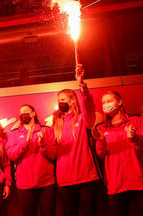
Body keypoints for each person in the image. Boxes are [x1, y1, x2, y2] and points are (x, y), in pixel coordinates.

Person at [93, 91, 143, 216]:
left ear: (120, 102)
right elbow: (100, 154)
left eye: (109, 101)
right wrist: (101, 141)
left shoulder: (136, 121)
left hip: (140, 182)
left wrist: (135, 138)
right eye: (103, 103)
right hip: (115, 185)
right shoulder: (101, 128)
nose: (106, 105)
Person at [53, 65, 99, 216]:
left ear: (72, 101)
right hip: (64, 179)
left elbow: (89, 108)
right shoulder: (57, 124)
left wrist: (82, 86)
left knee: (90, 212)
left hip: (86, 176)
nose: (60, 103)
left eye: (63, 99)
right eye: (59, 100)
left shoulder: (82, 119)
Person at [6, 104, 56, 216]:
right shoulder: (14, 133)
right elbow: (12, 155)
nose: (22, 113)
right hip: (24, 184)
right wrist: (25, 143)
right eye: (21, 112)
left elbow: (53, 155)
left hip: (46, 183)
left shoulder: (46, 130)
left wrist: (43, 144)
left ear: (33, 113)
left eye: (25, 111)